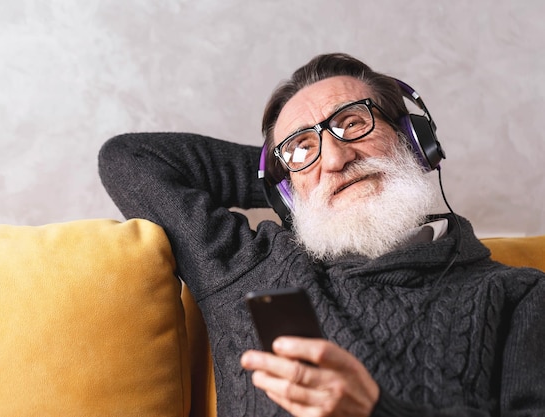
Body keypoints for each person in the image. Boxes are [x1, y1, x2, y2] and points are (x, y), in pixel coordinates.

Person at [98, 53, 545, 416]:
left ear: (413, 141)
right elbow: (130, 159)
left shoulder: (519, 294)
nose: (334, 158)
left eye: (352, 123)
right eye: (304, 147)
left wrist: (377, 412)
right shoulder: (249, 264)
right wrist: (292, 178)